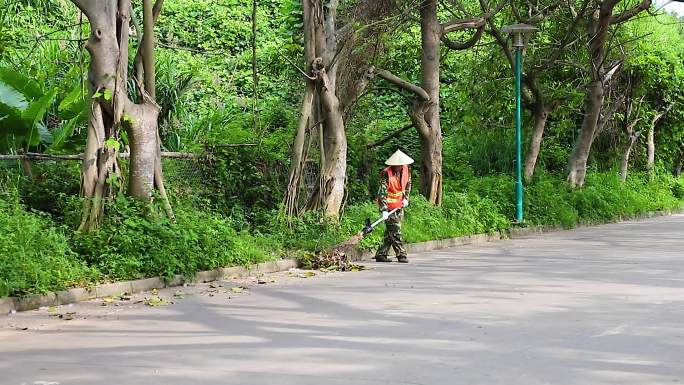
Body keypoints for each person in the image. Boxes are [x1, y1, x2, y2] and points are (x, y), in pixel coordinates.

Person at [375, 149, 413, 263]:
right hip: (389, 205)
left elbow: (408, 184)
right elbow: (382, 192)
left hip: (399, 205)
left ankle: (381, 254)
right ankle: (401, 254)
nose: (399, 167)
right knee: (396, 231)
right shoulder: (386, 173)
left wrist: (406, 198)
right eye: (397, 165)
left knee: (390, 231)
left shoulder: (406, 170)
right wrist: (384, 210)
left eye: (400, 165)